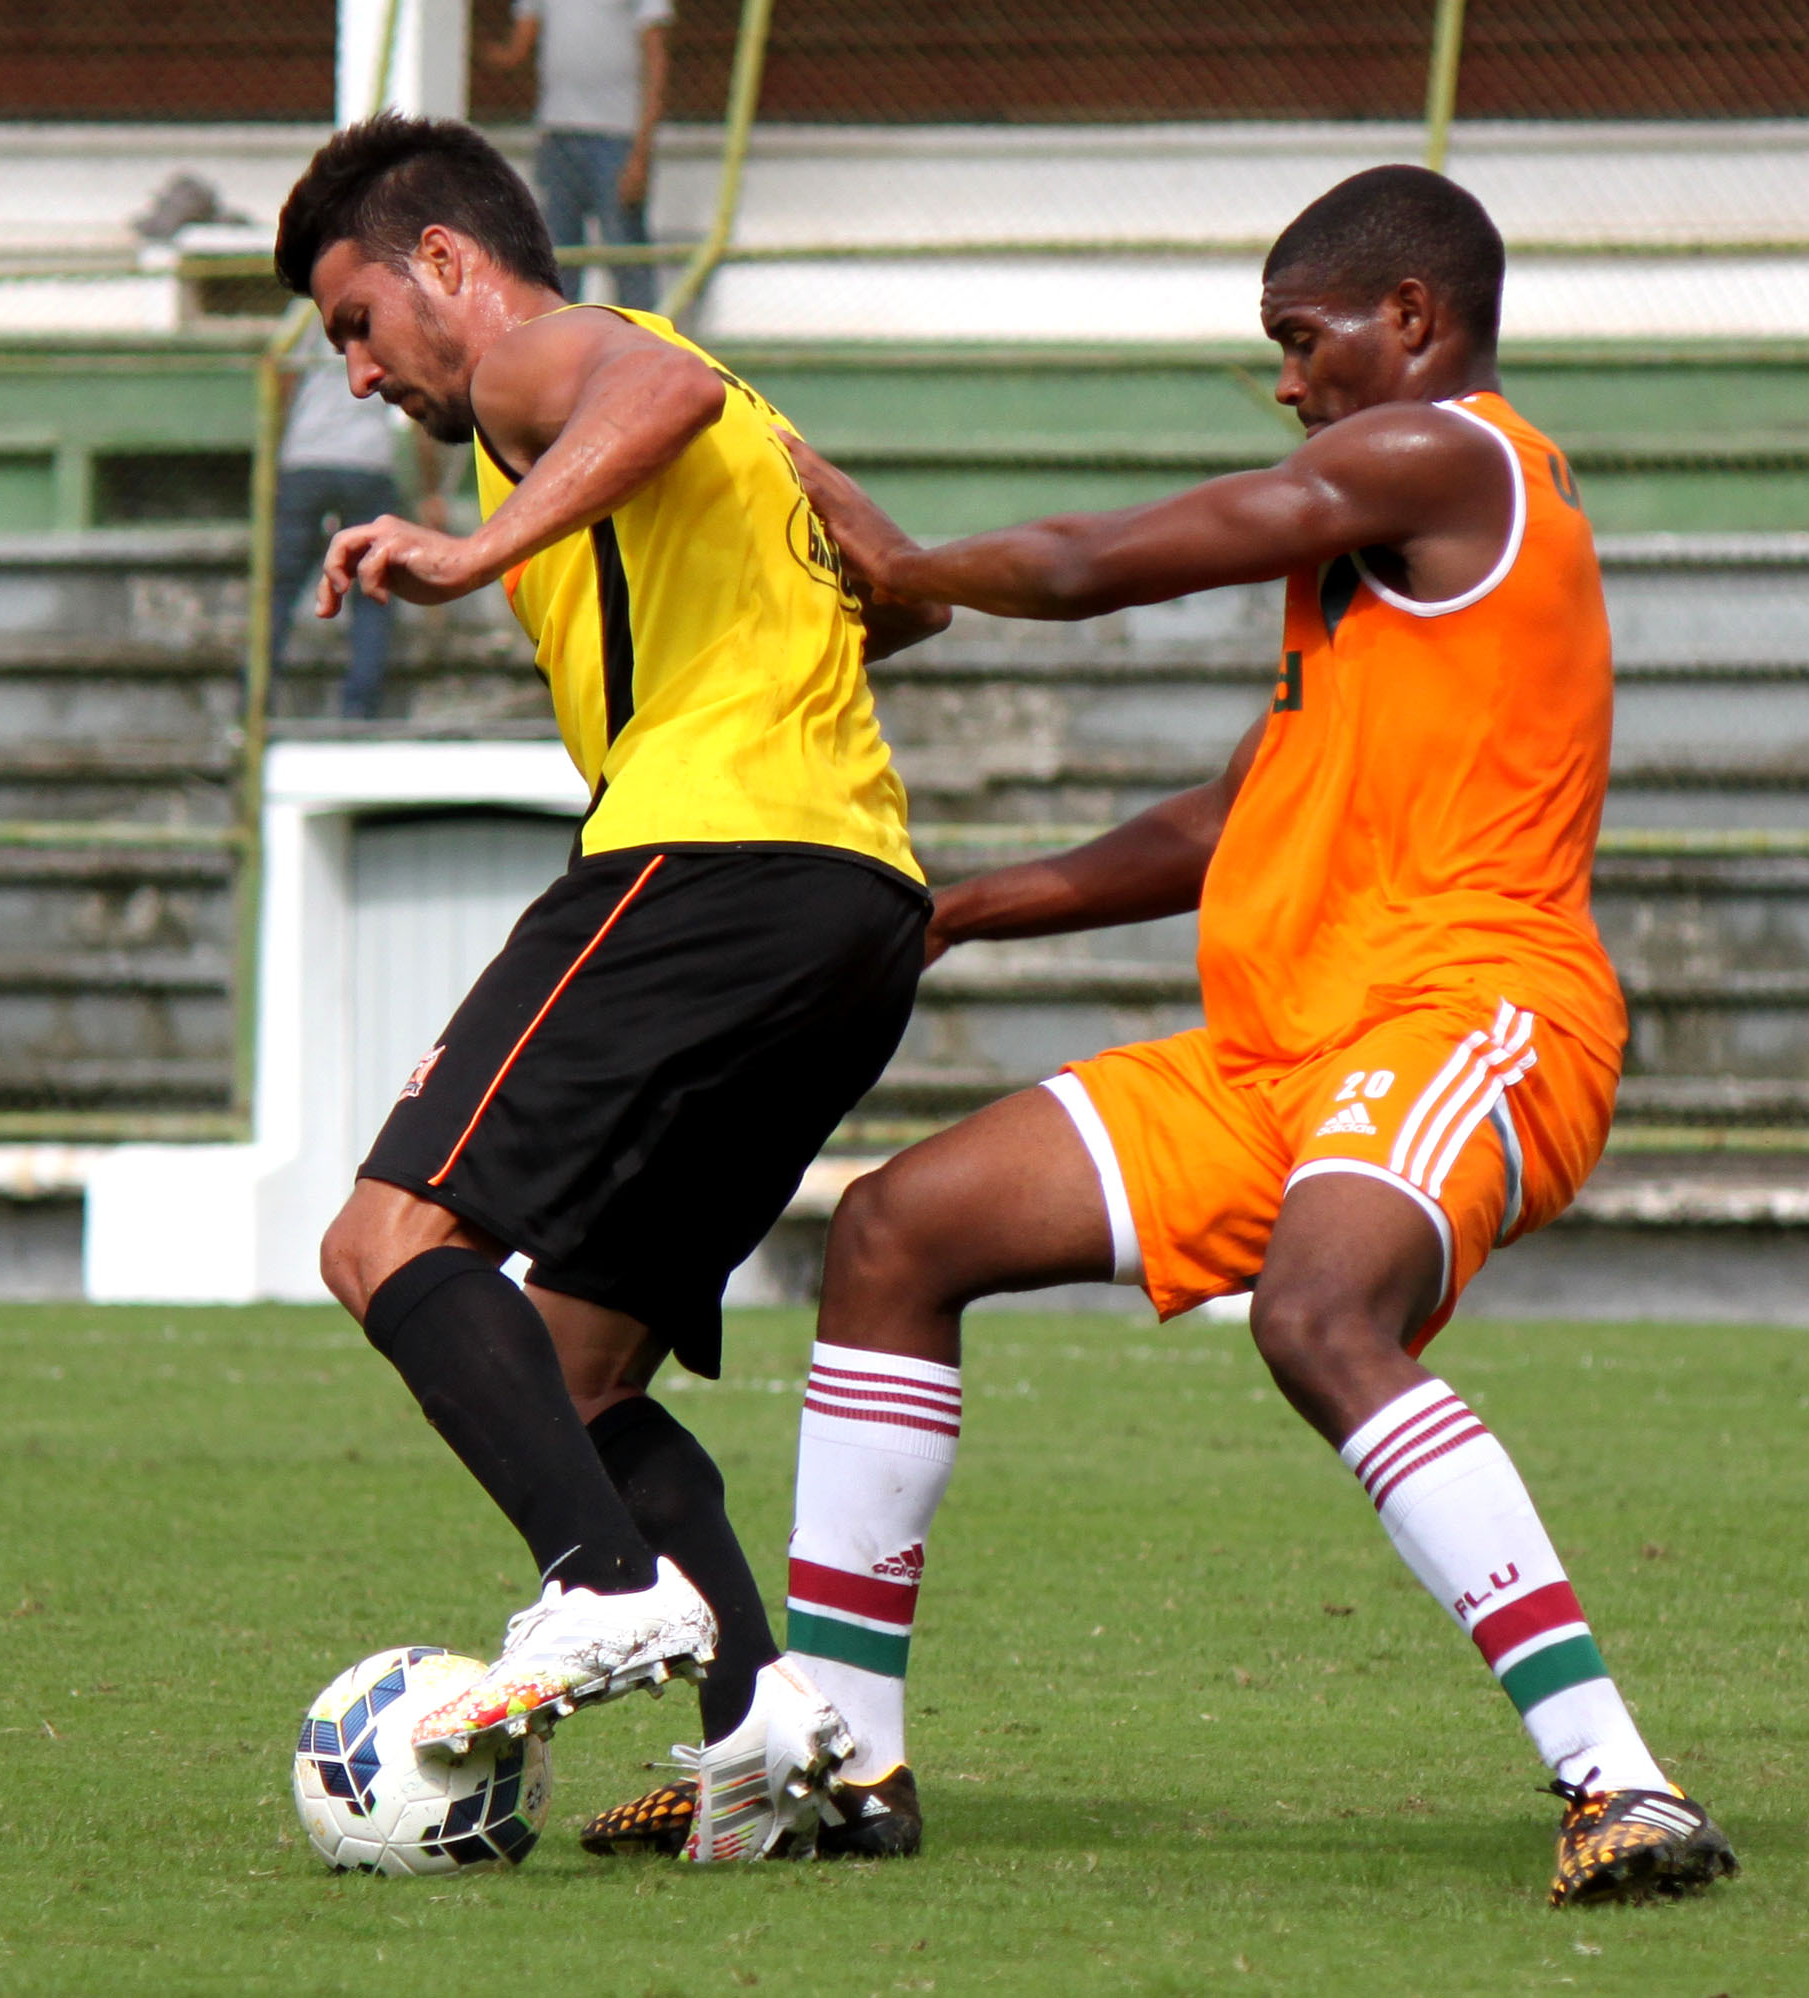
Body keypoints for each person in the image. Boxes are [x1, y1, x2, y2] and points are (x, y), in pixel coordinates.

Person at [603, 165, 1742, 1899]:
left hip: (1471, 1012)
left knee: (1315, 1311)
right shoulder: (1372, 570)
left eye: (1301, 341)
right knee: (900, 1230)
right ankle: (842, 1756)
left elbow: (1091, 561)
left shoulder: (1450, 457)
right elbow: (1227, 819)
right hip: (1283, 1054)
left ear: (1411, 321)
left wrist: (904, 563)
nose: (1287, 382)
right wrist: (968, 905)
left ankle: (1620, 1779)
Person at [272, 110, 946, 1863]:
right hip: (860, 905)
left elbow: (655, 397)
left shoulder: (534, 364)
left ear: (444, 262)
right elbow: (901, 585)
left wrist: (469, 552)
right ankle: (787, 1748)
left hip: (705, 859)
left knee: (383, 1243)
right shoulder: (728, 399)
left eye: (354, 321)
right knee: (577, 1370)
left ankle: (599, 1585)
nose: (357, 374)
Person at [266, 345, 447, 720]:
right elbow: (418, 409)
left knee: (279, 589)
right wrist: (428, 489)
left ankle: (254, 701)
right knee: (373, 586)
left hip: (306, 459)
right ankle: (359, 708)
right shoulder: (381, 318)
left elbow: (281, 384)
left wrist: (275, 456)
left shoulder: (305, 321)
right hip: (367, 462)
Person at [487, 0, 669, 310]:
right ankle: (565, 345)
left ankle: (644, 343)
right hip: (557, 134)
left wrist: (641, 152)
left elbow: (656, 57)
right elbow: (518, 46)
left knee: (625, 252)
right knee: (558, 256)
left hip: (616, 135)